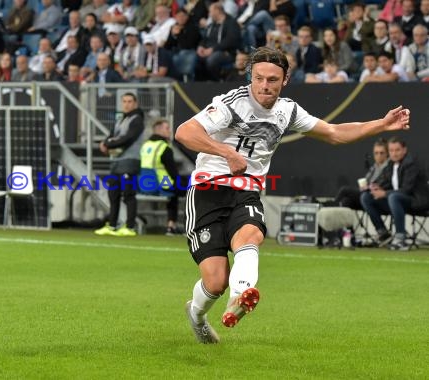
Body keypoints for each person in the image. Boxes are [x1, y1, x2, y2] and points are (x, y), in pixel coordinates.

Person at [174, 46, 411, 344]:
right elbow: (185, 132)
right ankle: (196, 316)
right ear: (251, 76)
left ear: (285, 79)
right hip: (208, 191)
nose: (264, 85)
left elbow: (335, 133)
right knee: (215, 280)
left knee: (251, 236)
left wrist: (381, 124)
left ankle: (241, 295)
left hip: (246, 191)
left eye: (272, 80)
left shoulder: (288, 110)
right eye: (259, 78)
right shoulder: (231, 104)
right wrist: (225, 152)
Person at [360, 137, 429, 251]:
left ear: (404, 150)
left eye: (397, 150)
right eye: (391, 150)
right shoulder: (391, 165)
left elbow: (406, 189)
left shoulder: (411, 164)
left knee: (393, 196)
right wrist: (376, 187)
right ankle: (383, 233)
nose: (394, 153)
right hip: (397, 202)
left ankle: (400, 238)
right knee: (366, 197)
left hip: (417, 202)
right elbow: (385, 181)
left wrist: (384, 193)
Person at [94, 92, 145, 237]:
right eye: (124, 101)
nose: (127, 104)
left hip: (130, 161)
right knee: (113, 194)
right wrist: (106, 142)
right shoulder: (121, 119)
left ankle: (130, 227)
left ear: (135, 103)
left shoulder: (137, 119)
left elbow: (127, 139)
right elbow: (111, 135)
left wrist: (107, 144)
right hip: (116, 161)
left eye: (130, 101)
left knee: (129, 194)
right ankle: (112, 225)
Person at [139, 119, 184, 236]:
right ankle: (172, 226)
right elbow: (173, 172)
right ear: (159, 130)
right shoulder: (164, 148)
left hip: (144, 185)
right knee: (188, 190)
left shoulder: (145, 146)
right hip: (162, 184)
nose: (170, 131)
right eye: (167, 128)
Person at [334, 138, 389, 210]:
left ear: (387, 153)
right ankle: (340, 219)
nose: (379, 155)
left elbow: (383, 185)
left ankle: (330, 207)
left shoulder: (388, 167)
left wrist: (369, 187)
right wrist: (364, 186)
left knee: (344, 189)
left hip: (376, 197)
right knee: (346, 201)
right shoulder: (374, 167)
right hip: (365, 193)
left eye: (382, 153)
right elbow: (366, 181)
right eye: (376, 153)